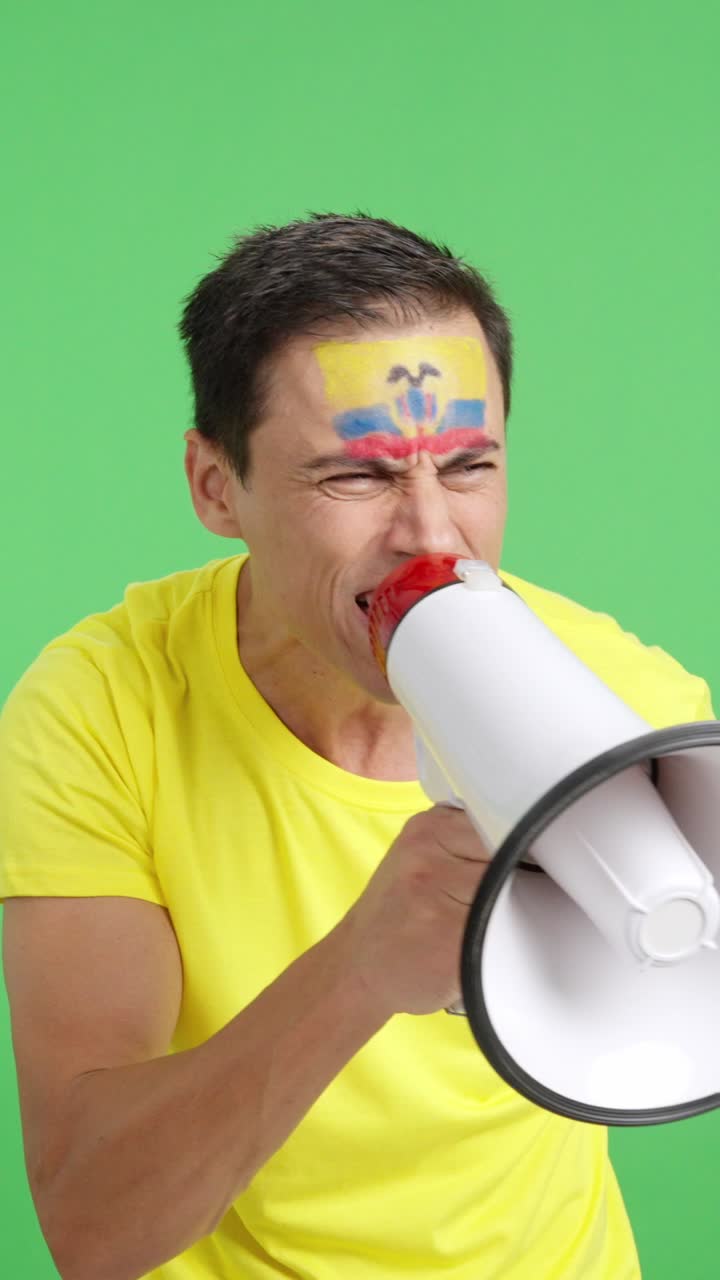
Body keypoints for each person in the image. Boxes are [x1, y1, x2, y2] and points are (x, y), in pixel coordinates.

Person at [0, 212, 713, 1280]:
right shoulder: (100, 709)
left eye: (469, 464)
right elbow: (94, 1229)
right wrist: (357, 972)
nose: (432, 535)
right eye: (356, 478)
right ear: (215, 486)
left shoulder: (637, 710)